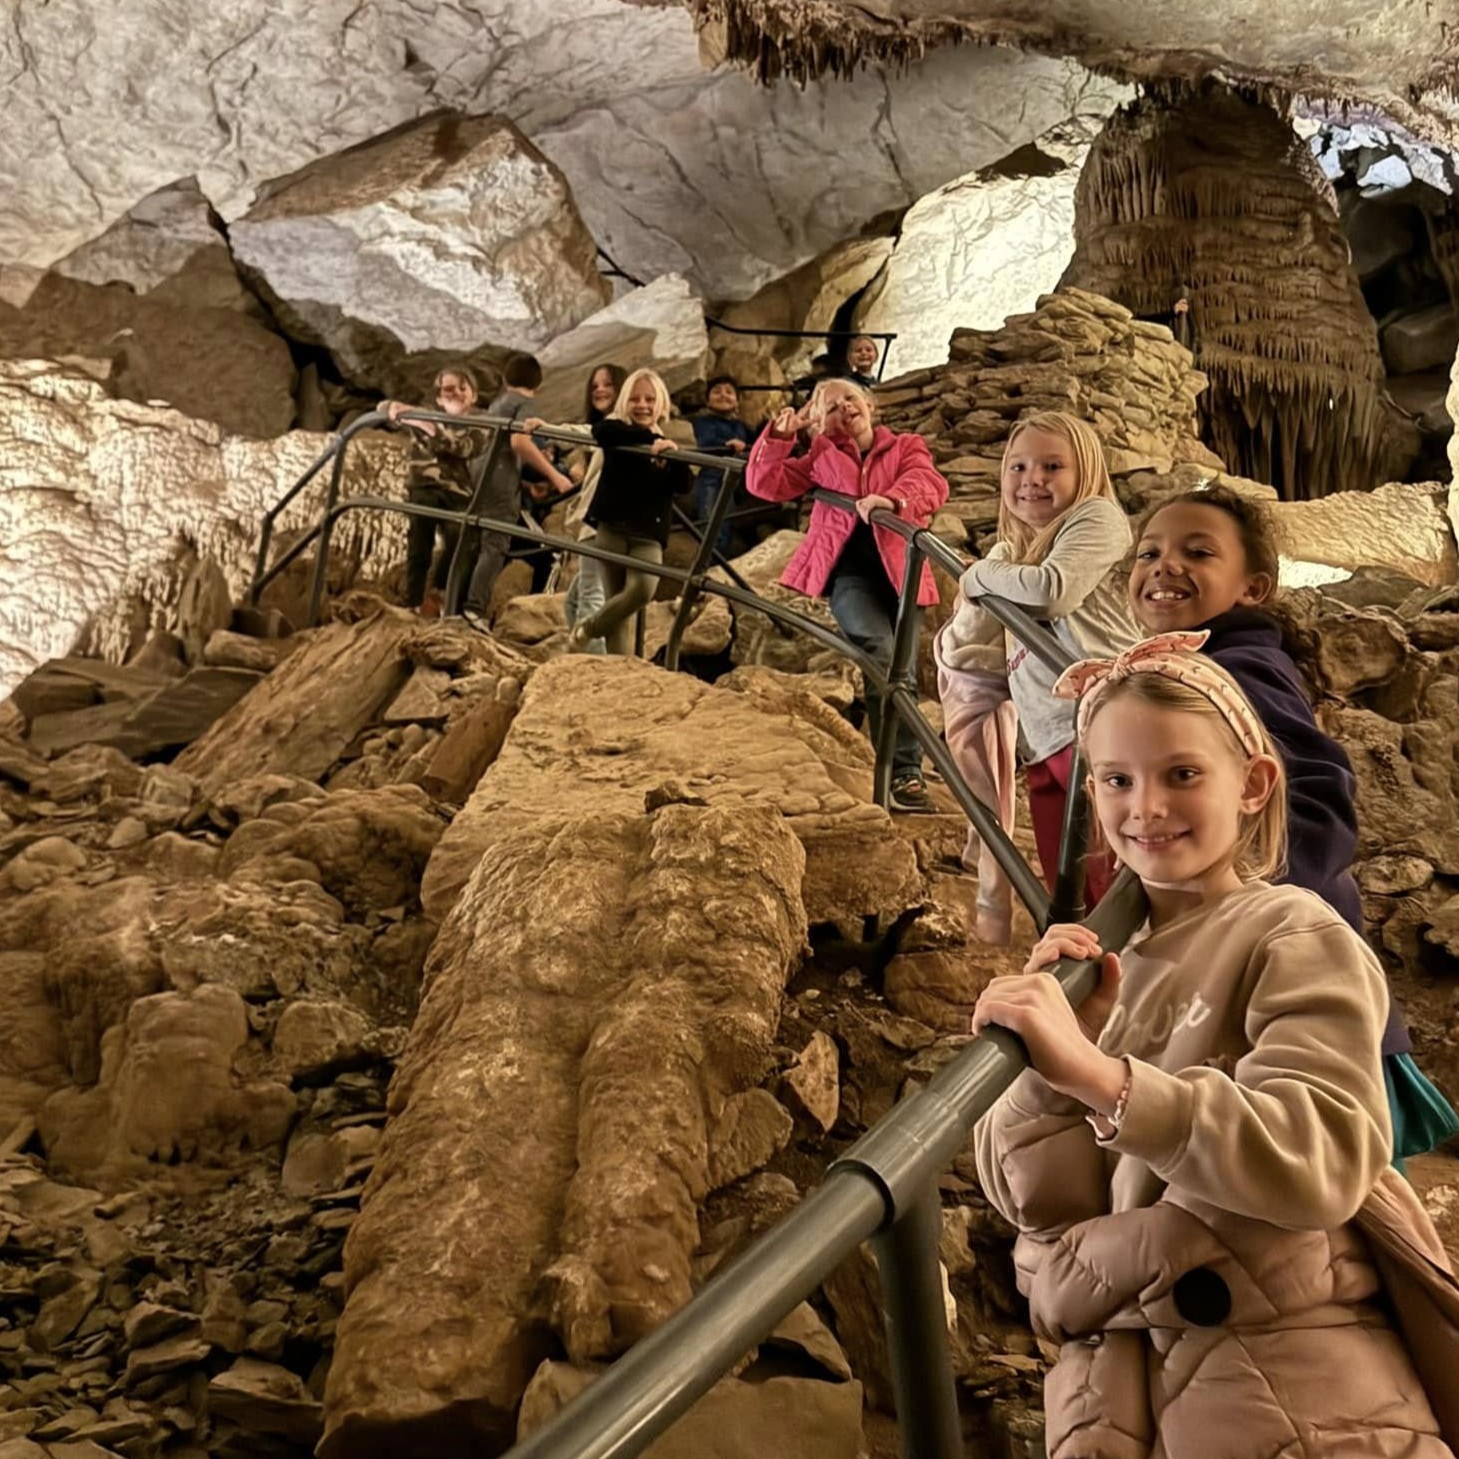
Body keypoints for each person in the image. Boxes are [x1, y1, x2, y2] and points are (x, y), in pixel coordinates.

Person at [971, 636, 1458, 1459]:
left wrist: (1103, 1079)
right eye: (1119, 779)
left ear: (1253, 783)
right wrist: (1053, 1070)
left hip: (1298, 1383)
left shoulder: (1293, 932)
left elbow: (1326, 1154)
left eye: (1182, 774)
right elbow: (1027, 1202)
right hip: (1113, 1388)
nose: (1146, 806)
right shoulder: (1098, 958)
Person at [1129, 484, 1459, 1164]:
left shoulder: (1237, 669)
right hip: (1289, 963)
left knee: (1332, 1172)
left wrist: (1263, 898)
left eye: (1196, 551)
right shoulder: (1196, 665)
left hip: (1295, 963)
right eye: (1148, 551)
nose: (1163, 564)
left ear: (1252, 586)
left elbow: (1316, 789)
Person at [936, 413, 1139, 934]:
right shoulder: (1020, 547)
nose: (1033, 479)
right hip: (1047, 734)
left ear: (1087, 471)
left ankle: (1138, 997)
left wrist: (979, 573)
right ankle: (1089, 1003)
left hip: (1100, 723)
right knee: (1066, 887)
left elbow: (1053, 590)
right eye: (1018, 466)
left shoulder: (1096, 518)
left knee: (1112, 882)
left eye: (1053, 466)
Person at [744, 378, 949, 812]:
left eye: (850, 399)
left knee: (902, 671)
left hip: (903, 575)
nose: (844, 409)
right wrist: (779, 438)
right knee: (879, 652)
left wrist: (893, 500)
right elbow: (766, 484)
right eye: (831, 407)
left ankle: (903, 775)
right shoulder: (821, 455)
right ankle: (899, 772)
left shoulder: (906, 446)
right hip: (850, 575)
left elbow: (928, 483)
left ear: (869, 403)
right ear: (819, 420)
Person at [567, 368, 691, 657]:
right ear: (625, 401)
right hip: (612, 528)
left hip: (647, 535)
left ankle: (587, 628)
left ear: (661, 403)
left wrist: (671, 456)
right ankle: (620, 673)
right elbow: (602, 431)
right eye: (635, 399)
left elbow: (683, 485)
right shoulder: (616, 431)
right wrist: (650, 443)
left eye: (650, 399)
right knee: (618, 614)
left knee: (641, 591)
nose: (643, 405)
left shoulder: (667, 443)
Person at [462, 352, 574, 620]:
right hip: (501, 487)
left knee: (488, 545)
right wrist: (555, 476)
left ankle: (461, 605)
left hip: (483, 479)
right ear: (538, 383)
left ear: (504, 378)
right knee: (543, 552)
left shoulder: (498, 404)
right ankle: (483, 611)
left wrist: (525, 481)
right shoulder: (525, 403)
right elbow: (519, 442)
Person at [383, 366, 490, 616]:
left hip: (457, 492)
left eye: (463, 388)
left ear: (473, 396)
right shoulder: (425, 415)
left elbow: (464, 448)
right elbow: (386, 409)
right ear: (439, 397)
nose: (456, 393)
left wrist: (432, 429)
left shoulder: (481, 424)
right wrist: (393, 407)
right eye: (449, 389)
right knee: (419, 541)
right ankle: (413, 602)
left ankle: (443, 596)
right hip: (423, 487)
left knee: (462, 537)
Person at [691, 375, 755, 557]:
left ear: (737, 401)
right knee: (713, 528)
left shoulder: (741, 425)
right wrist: (729, 445)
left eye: (729, 392)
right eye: (717, 391)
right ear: (707, 400)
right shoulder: (703, 422)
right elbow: (706, 443)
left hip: (737, 481)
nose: (723, 395)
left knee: (727, 525)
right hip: (713, 478)